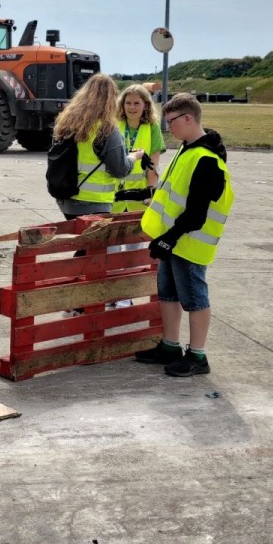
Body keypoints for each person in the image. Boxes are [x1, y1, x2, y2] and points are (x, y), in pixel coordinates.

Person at [136, 94, 234, 377]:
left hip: (189, 245)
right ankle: (170, 345)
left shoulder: (206, 160)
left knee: (194, 298)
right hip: (175, 240)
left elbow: (196, 213)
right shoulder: (187, 150)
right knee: (168, 293)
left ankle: (197, 355)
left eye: (172, 122)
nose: (170, 129)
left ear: (188, 118)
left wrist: (170, 238)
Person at [51, 73, 142, 219]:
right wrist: (133, 156)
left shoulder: (66, 123)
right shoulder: (106, 130)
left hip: (66, 199)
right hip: (93, 203)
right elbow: (120, 170)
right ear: (111, 100)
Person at [112, 83, 164, 214]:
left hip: (139, 199)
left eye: (136, 103)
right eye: (128, 103)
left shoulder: (153, 128)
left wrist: (151, 193)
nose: (131, 107)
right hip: (114, 199)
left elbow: (153, 168)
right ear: (122, 105)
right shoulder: (114, 125)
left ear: (145, 105)